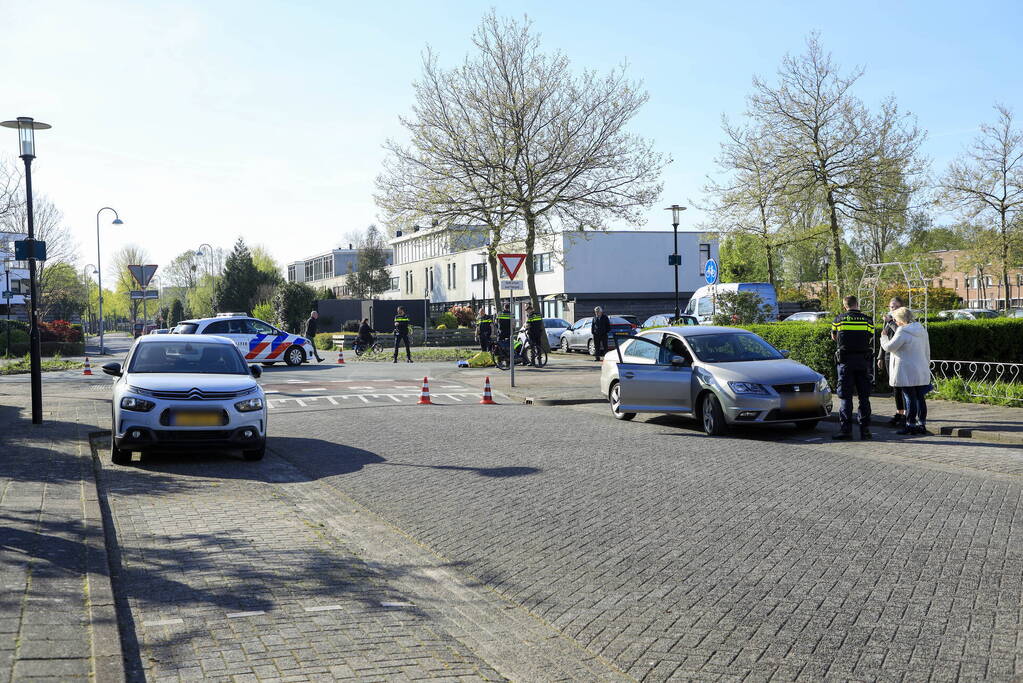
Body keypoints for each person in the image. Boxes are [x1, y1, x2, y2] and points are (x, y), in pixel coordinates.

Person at [880, 307, 932, 435]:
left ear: (901, 319)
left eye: (895, 319)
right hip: (920, 368)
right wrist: (926, 365)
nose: (895, 322)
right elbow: (927, 350)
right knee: (920, 397)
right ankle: (922, 424)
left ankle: (910, 425)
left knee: (909, 397)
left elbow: (889, 347)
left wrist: (883, 337)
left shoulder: (902, 331)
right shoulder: (922, 330)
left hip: (906, 370)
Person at [831, 295, 874, 440]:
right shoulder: (867, 320)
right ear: (857, 304)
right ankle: (865, 430)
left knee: (845, 397)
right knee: (864, 397)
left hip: (845, 362)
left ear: (845, 305)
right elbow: (870, 337)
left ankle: (846, 431)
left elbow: (834, 337)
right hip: (863, 362)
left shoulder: (839, 319)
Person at [877, 297, 907, 427]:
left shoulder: (903, 320)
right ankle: (899, 411)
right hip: (889, 356)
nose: (892, 309)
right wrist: (880, 357)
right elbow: (883, 337)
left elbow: (899, 333)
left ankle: (905, 413)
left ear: (901, 307)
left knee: (902, 386)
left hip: (900, 356)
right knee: (895, 386)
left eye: (895, 307)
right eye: (891, 307)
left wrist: (890, 322)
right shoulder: (889, 320)